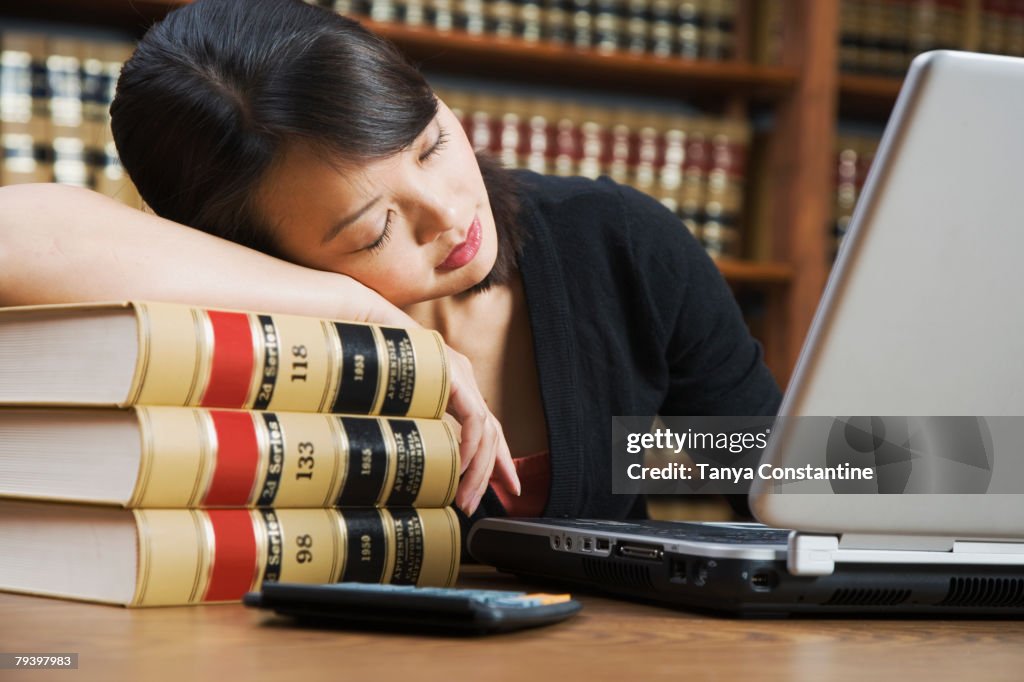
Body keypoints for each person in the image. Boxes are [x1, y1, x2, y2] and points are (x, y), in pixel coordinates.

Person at [0, 0, 781, 523]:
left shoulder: (609, 239)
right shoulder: (229, 329)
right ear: (255, 253)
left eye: (431, 144)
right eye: (374, 231)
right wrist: (363, 312)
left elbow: (804, 467)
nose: (450, 213)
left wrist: (626, 456)